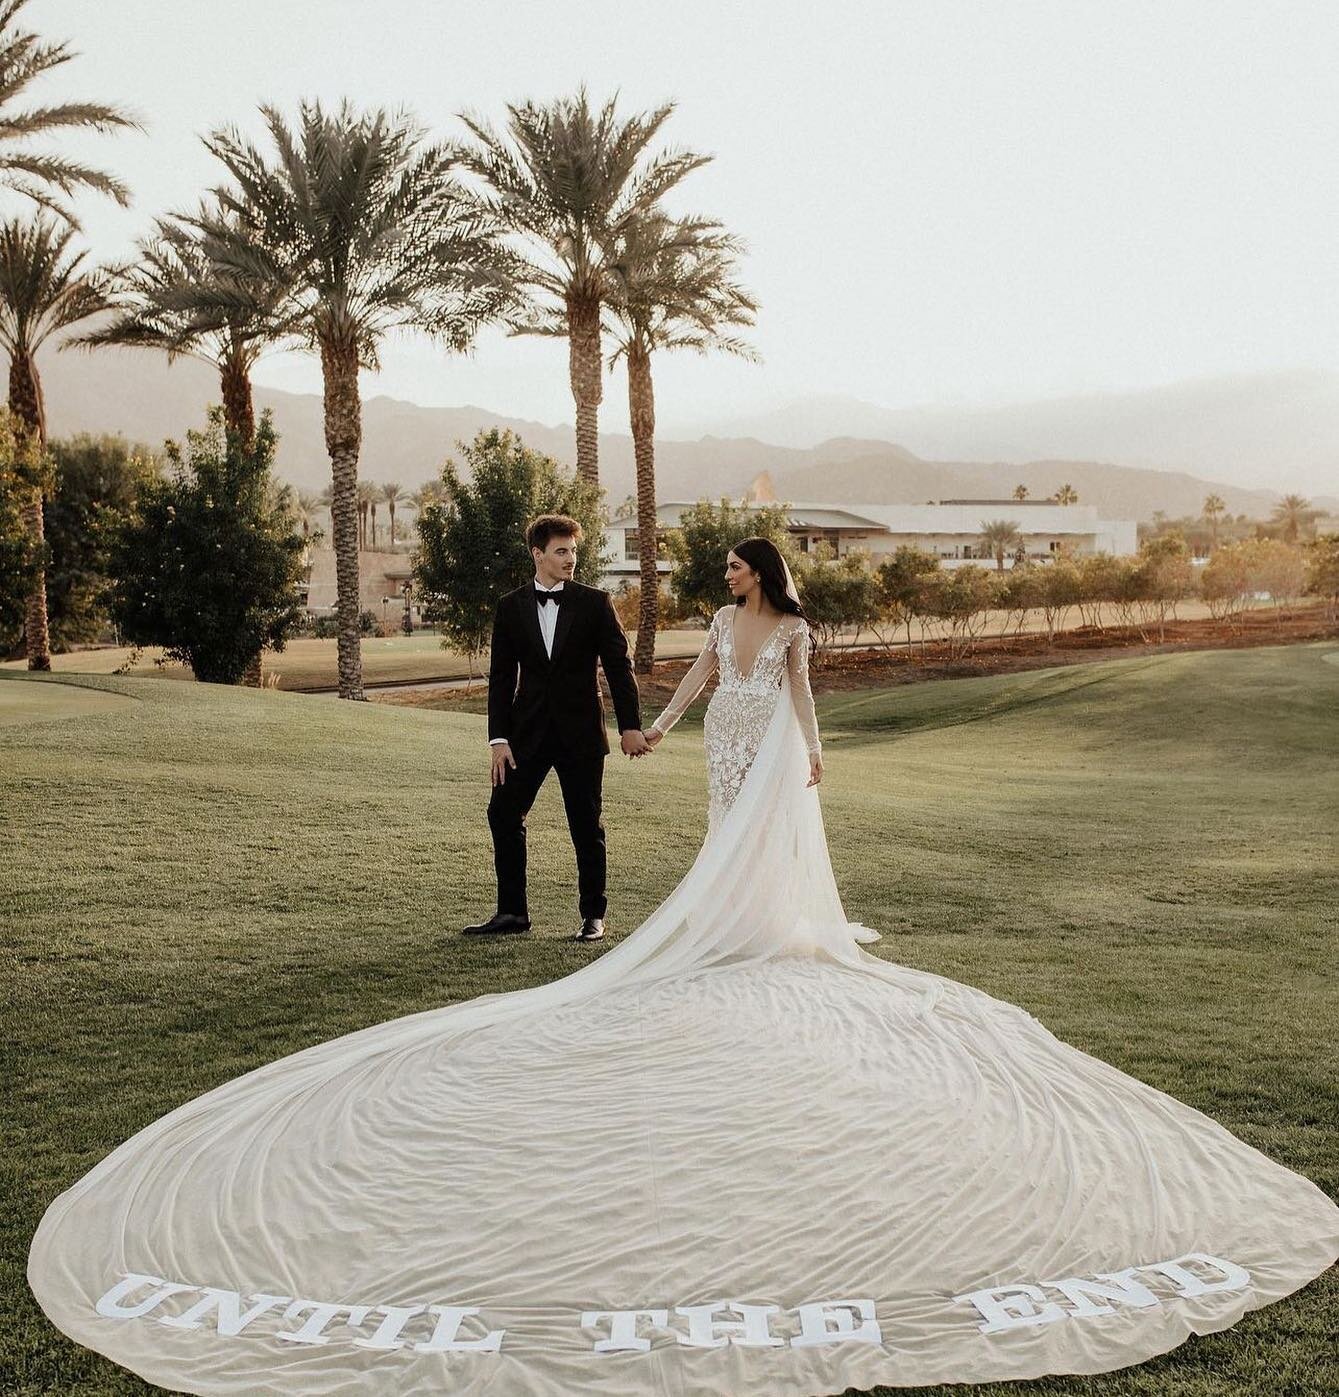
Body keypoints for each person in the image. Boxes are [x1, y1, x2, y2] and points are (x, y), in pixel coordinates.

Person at [25, 539, 1339, 1397]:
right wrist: (650, 727)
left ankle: (773, 929)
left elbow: (793, 694)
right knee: (718, 848)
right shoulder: (718, 621)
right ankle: (726, 925)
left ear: (762, 575)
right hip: (718, 753)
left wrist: (813, 751)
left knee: (768, 846)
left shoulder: (801, 625)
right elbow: (696, 683)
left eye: (733, 568)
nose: (727, 580)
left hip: (777, 755)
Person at [464, 513, 649, 943]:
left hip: (581, 734)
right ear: (538, 554)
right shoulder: (510, 607)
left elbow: (620, 669)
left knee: (586, 824)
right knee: (503, 813)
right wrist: (499, 739)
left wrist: (630, 727)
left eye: (574, 551)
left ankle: (593, 916)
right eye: (561, 551)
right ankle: (512, 913)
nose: (571, 559)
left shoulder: (595, 603)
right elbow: (501, 677)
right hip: (524, 736)